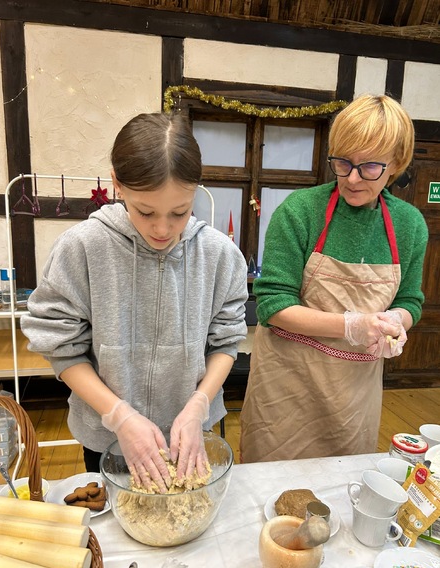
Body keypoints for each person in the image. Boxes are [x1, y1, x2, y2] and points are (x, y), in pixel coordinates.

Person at [22, 112, 248, 492]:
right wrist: (118, 415)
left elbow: (225, 342)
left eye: (179, 212)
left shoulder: (219, 255)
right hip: (106, 436)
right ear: (117, 184)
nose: (162, 229)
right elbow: (61, 346)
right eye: (146, 211)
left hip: (190, 437)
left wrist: (198, 405)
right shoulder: (82, 248)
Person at [240, 94, 428, 463]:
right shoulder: (299, 212)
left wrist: (396, 321)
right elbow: (273, 305)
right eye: (343, 163)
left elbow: (410, 300)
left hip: (354, 394)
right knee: (271, 480)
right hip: (287, 386)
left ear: (396, 163)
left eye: (369, 167)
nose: (352, 178)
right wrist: (351, 325)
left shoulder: (409, 225)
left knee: (342, 482)